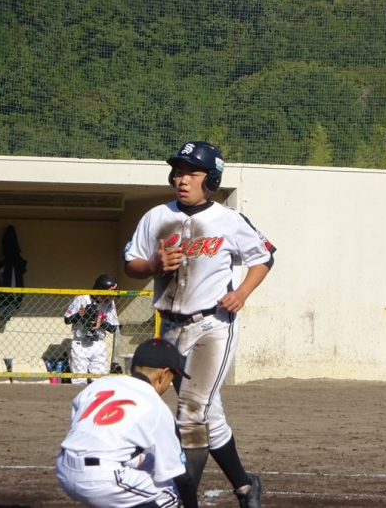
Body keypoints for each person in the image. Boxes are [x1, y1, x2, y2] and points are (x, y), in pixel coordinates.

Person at [124, 140, 276, 508]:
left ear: (211, 179)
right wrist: (154, 265)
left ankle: (182, 500)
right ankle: (245, 487)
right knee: (210, 415)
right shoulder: (156, 216)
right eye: (179, 172)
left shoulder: (229, 220)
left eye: (193, 173)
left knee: (191, 412)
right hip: (171, 329)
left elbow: (264, 257)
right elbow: (131, 265)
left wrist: (242, 293)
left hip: (213, 325)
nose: (182, 179)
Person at [56, 338, 198, 508]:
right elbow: (182, 477)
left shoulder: (99, 385)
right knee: (171, 495)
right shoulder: (157, 406)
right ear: (163, 374)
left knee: (145, 460)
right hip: (102, 480)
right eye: (172, 377)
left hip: (63, 468)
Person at [64, 274, 120, 385]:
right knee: (79, 380)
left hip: (98, 343)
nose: (110, 299)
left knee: (100, 380)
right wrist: (80, 315)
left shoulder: (110, 303)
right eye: (108, 295)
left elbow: (114, 328)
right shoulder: (82, 298)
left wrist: (101, 322)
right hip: (80, 342)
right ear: (98, 291)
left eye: (112, 296)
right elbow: (67, 319)